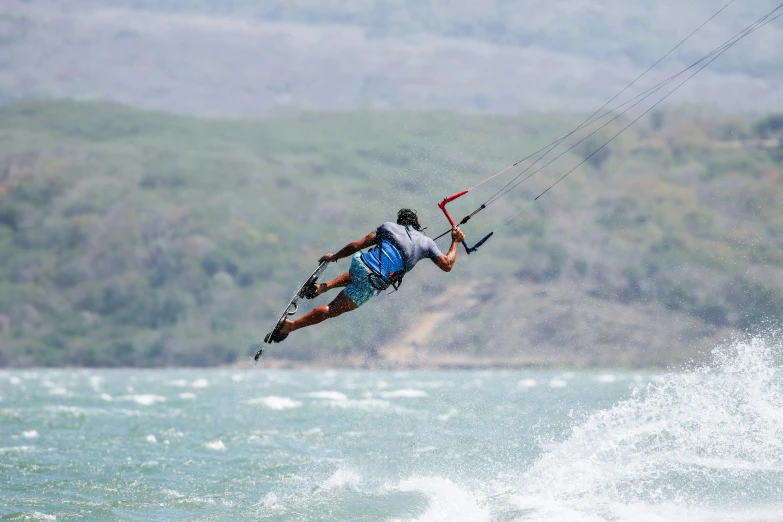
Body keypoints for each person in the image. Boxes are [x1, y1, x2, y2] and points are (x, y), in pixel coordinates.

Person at [266, 209, 465, 343]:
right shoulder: (427, 243)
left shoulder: (388, 227)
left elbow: (356, 245)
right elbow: (447, 265)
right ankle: (289, 327)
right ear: (417, 225)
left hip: (360, 263)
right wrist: (455, 241)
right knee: (332, 309)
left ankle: (322, 287)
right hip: (373, 281)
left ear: (401, 223)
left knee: (363, 268)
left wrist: (334, 257)